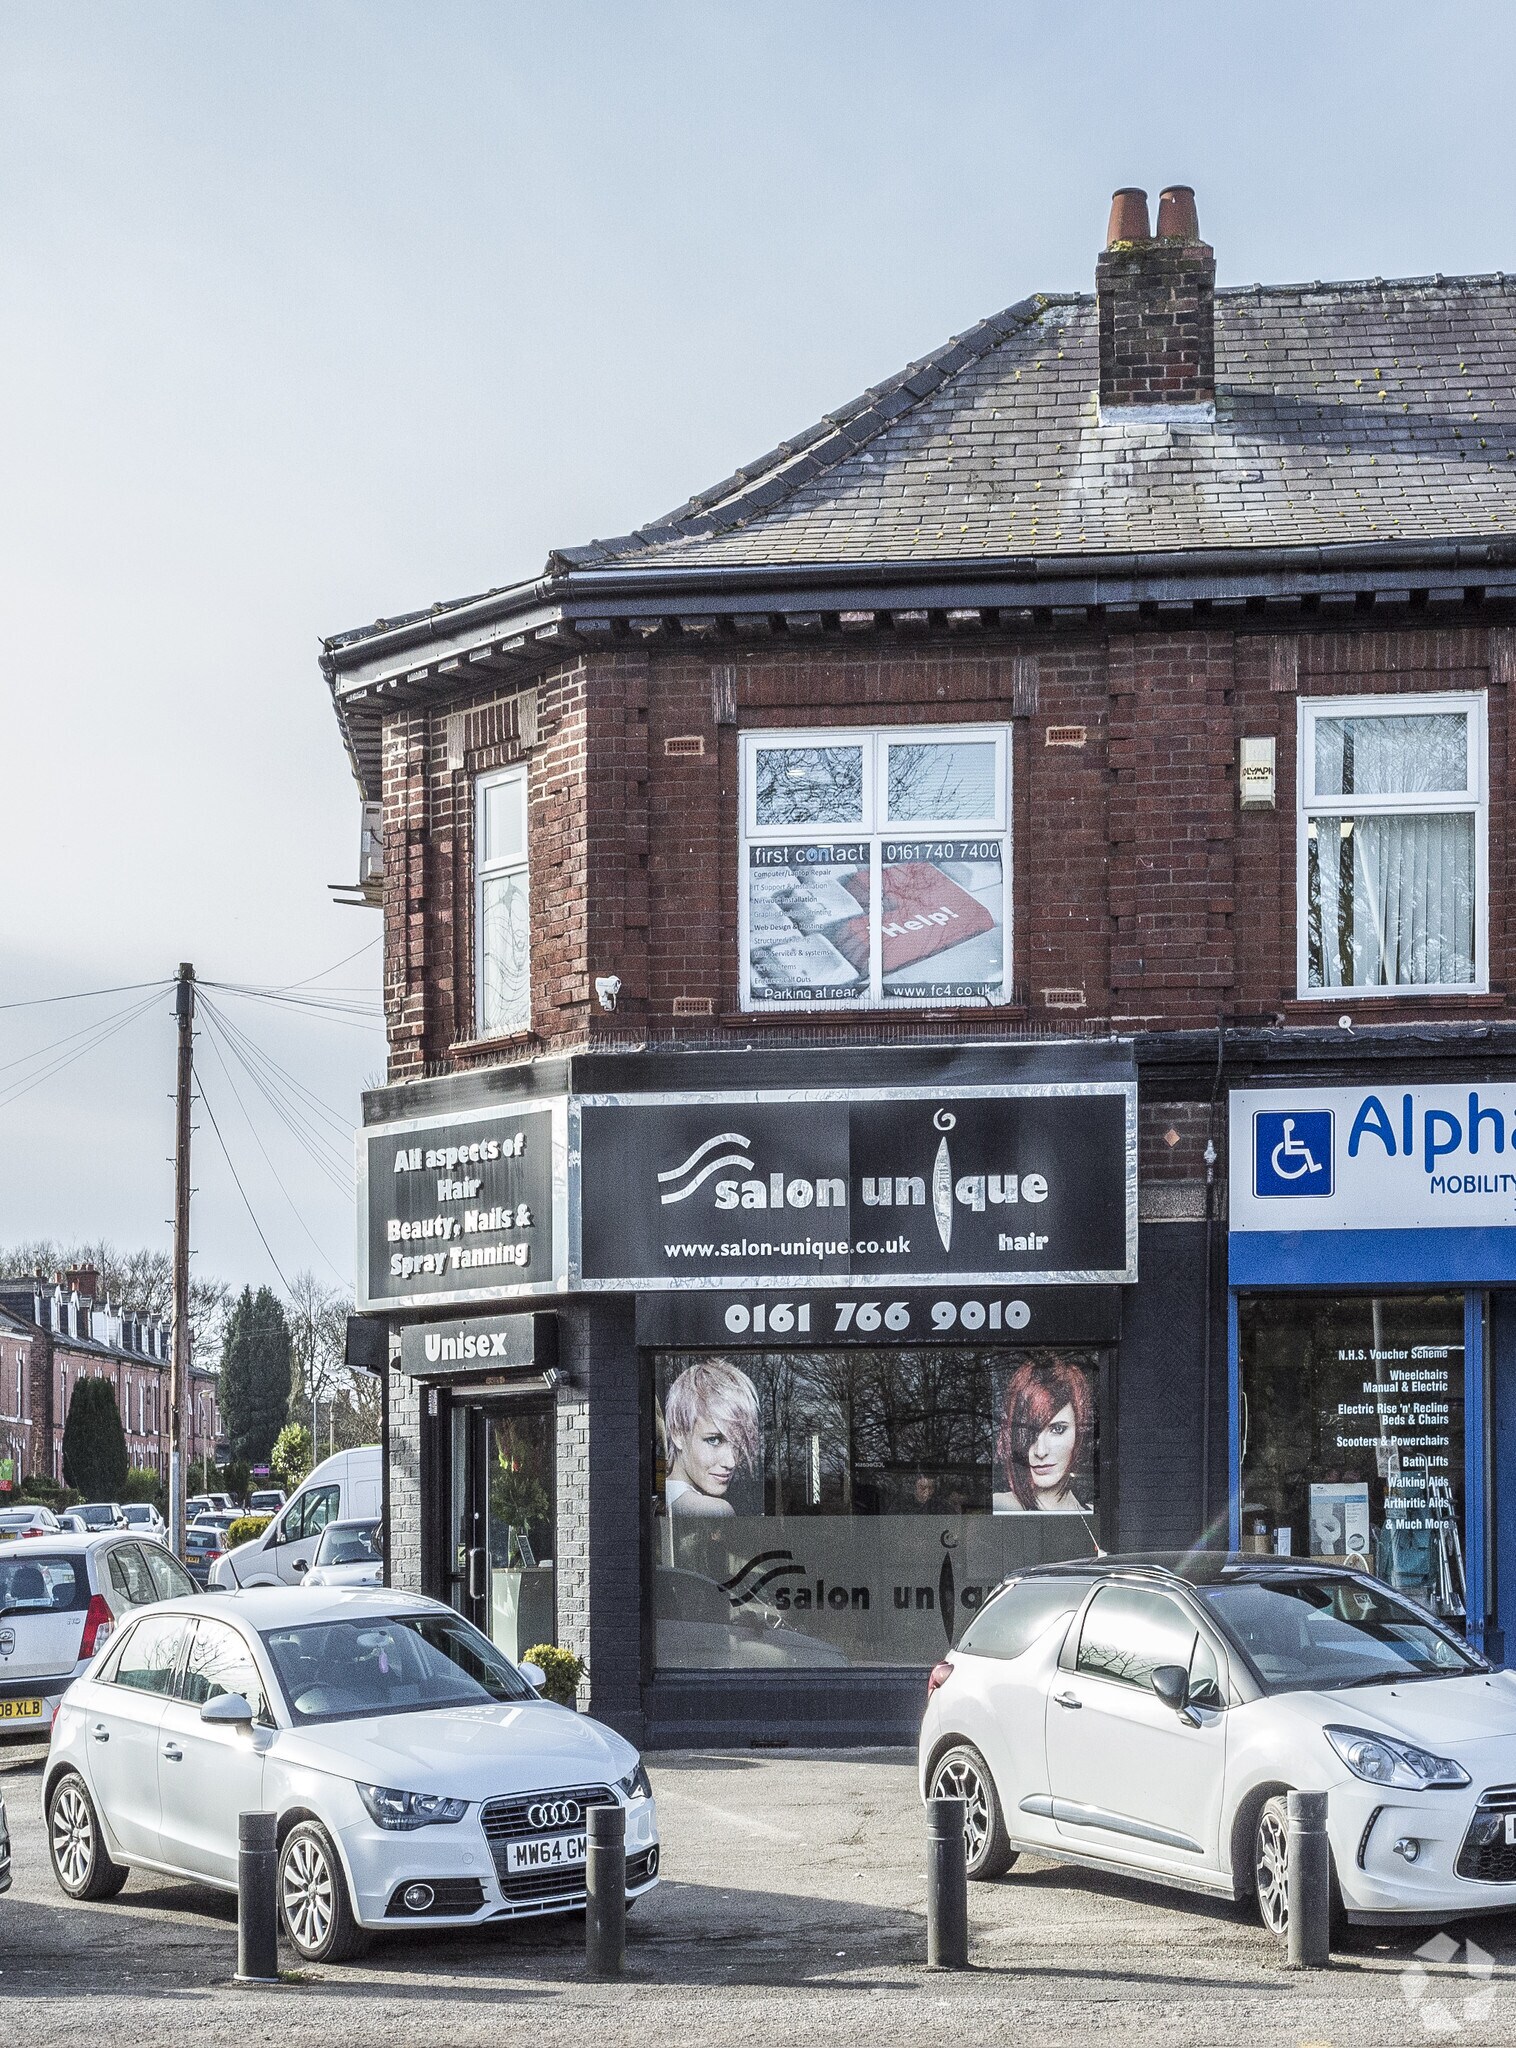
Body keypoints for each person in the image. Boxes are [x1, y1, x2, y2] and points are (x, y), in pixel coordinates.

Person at [993, 1356, 1093, 1514]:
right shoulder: (1001, 1506)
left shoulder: (1092, 1513)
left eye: (1057, 1429)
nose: (1040, 1451)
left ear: (1078, 1433)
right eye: (1028, 1432)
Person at [662, 1358, 761, 1516]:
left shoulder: (659, 1497)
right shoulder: (717, 1510)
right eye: (714, 1440)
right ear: (677, 1433)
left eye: (737, 1445)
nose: (731, 1462)